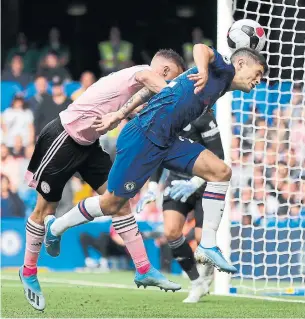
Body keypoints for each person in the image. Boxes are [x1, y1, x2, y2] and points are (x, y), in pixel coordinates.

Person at [48, 45, 267, 282]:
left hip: (168, 140)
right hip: (142, 137)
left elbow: (149, 93)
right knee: (112, 204)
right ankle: (56, 227)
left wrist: (119, 114)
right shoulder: (221, 70)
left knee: (221, 172)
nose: (258, 80)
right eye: (257, 73)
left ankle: (208, 245)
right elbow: (201, 48)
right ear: (241, 64)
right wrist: (203, 68)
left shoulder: (219, 87)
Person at [19, 49, 185, 311]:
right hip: (63, 137)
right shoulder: (139, 73)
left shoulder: (134, 89)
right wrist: (186, 93)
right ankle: (28, 271)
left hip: (89, 145)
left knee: (119, 200)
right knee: (44, 210)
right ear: (165, 72)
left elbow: (140, 110)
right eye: (172, 76)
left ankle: (143, 268)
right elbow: (164, 90)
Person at [136, 109, 223, 303]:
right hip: (176, 183)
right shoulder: (165, 118)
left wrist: (195, 182)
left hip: (205, 183)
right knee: (171, 232)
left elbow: (219, 156)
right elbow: (158, 154)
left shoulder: (203, 117)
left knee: (202, 238)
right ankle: (196, 282)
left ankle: (207, 267)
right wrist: (151, 187)